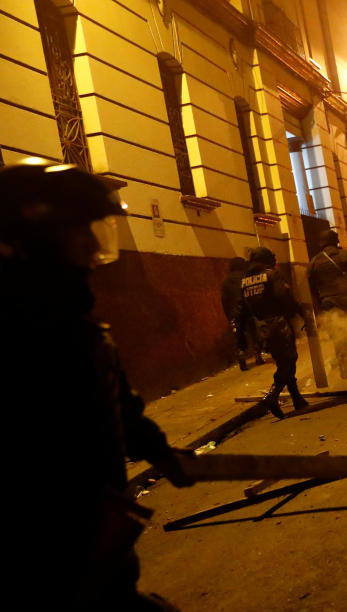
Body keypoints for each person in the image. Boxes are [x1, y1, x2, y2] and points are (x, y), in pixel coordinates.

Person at [0, 159, 194, 609]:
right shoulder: (20, 329)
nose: (92, 245)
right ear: (37, 240)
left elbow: (116, 400)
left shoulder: (73, 318)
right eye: (78, 232)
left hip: (95, 545)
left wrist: (159, 449)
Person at [240, 246, 309, 418]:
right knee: (289, 360)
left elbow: (243, 308)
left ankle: (296, 398)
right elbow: (285, 297)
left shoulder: (245, 281)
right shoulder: (272, 274)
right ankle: (272, 396)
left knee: (283, 361)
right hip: (278, 324)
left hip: (261, 327)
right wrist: (302, 315)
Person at [307, 229, 347, 379]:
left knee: (338, 336)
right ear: (335, 241)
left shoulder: (314, 262)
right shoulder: (345, 255)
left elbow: (311, 289)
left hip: (328, 303)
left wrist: (318, 310)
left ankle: (344, 369)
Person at [220, 256, 264, 371]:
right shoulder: (247, 277)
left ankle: (241, 357)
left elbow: (225, 301)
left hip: (234, 312)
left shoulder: (226, 282)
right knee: (253, 332)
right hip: (248, 309)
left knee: (239, 336)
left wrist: (229, 316)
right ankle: (258, 356)